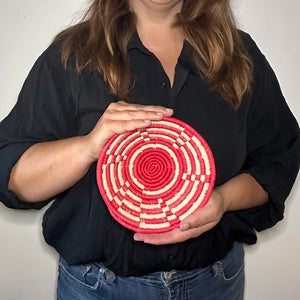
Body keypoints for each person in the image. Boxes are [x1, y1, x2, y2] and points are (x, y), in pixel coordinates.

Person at [0, 0, 299, 299]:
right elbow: (13, 177)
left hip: (216, 283)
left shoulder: (239, 55)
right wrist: (88, 147)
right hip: (99, 289)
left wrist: (223, 200)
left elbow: (277, 160)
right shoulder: (72, 55)